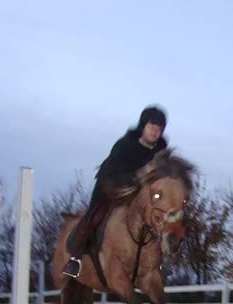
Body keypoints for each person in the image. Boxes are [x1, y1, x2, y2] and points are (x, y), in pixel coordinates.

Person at [62, 106, 168, 278]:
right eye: (152, 126)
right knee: (95, 216)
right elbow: (115, 174)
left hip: (140, 193)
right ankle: (75, 258)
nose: (155, 131)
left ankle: (157, 262)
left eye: (159, 128)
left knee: (160, 217)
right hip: (112, 185)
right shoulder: (124, 145)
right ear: (143, 126)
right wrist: (139, 175)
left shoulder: (161, 152)